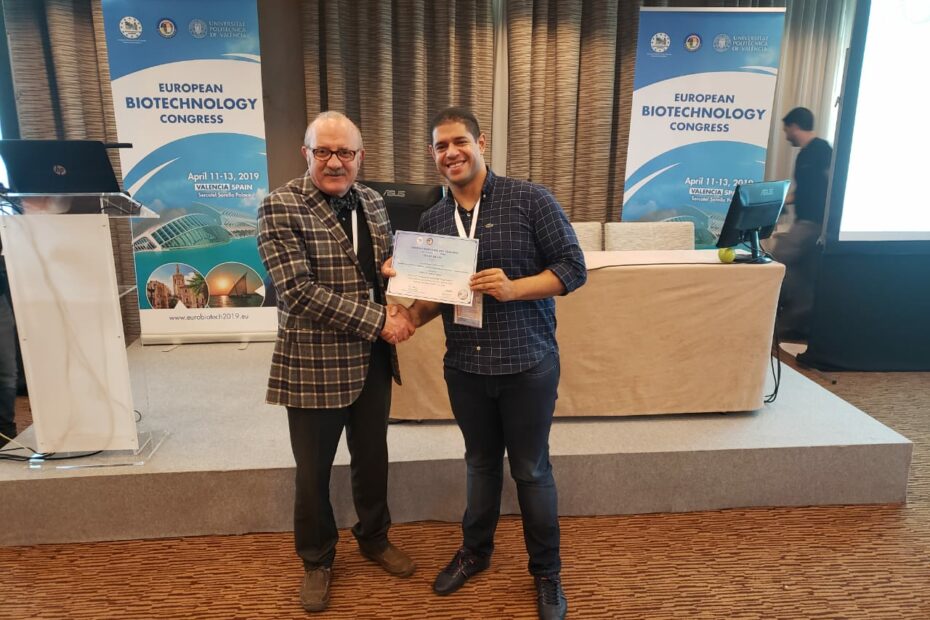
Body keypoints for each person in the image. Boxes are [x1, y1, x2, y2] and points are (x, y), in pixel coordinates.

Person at [384, 107, 587, 620]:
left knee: (531, 470)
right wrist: (408, 317)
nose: (450, 153)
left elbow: (573, 268)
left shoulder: (530, 199)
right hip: (466, 368)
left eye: (459, 141)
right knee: (479, 464)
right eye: (440, 146)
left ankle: (547, 573)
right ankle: (475, 552)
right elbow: (440, 296)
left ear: (480, 143)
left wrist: (515, 289)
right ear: (433, 155)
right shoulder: (432, 220)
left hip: (526, 364)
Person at [257, 111, 417, 613]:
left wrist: (399, 271)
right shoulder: (279, 206)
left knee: (372, 457)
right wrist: (380, 320)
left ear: (359, 157)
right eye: (323, 151)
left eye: (344, 152)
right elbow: (298, 292)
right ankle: (317, 558)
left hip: (371, 360)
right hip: (314, 362)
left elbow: (375, 269)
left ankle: (374, 536)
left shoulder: (372, 201)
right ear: (305, 154)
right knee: (313, 472)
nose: (334, 162)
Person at [772, 106, 833, 340]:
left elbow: (828, 186)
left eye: (786, 129)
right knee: (803, 276)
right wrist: (781, 200)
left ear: (794, 126)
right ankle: (795, 328)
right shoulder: (806, 154)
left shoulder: (821, 151)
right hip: (807, 222)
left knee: (776, 261)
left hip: (814, 224)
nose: (786, 135)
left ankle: (776, 320)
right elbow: (804, 191)